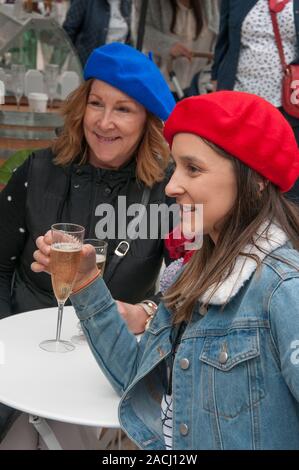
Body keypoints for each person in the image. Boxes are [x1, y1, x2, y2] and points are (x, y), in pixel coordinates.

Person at [33, 91, 299, 450]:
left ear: (255, 179)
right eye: (175, 168)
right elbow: (140, 380)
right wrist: (85, 283)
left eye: (194, 168)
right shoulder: (193, 276)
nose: (171, 187)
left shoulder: (283, 290)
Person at [0, 42, 175, 443]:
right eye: (97, 103)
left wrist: (146, 313)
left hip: (110, 367)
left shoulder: (171, 192)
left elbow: (196, 287)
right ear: (82, 107)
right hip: (25, 353)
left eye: (124, 109)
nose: (104, 122)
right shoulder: (36, 170)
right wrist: (8, 342)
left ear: (147, 120)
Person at [211, 0, 299, 200]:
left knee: (284, 167)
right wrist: (216, 82)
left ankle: (286, 221)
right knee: (237, 163)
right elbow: (223, 42)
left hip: (286, 99)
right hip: (240, 97)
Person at [140, 0, 219, 95]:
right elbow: (140, 30)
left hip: (200, 84)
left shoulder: (211, 4)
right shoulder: (151, 4)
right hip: (162, 84)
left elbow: (220, 32)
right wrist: (168, 46)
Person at [63, 0, 133, 67]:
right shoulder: (86, 2)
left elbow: (128, 40)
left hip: (116, 67)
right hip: (89, 68)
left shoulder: (127, 3)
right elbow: (68, 32)